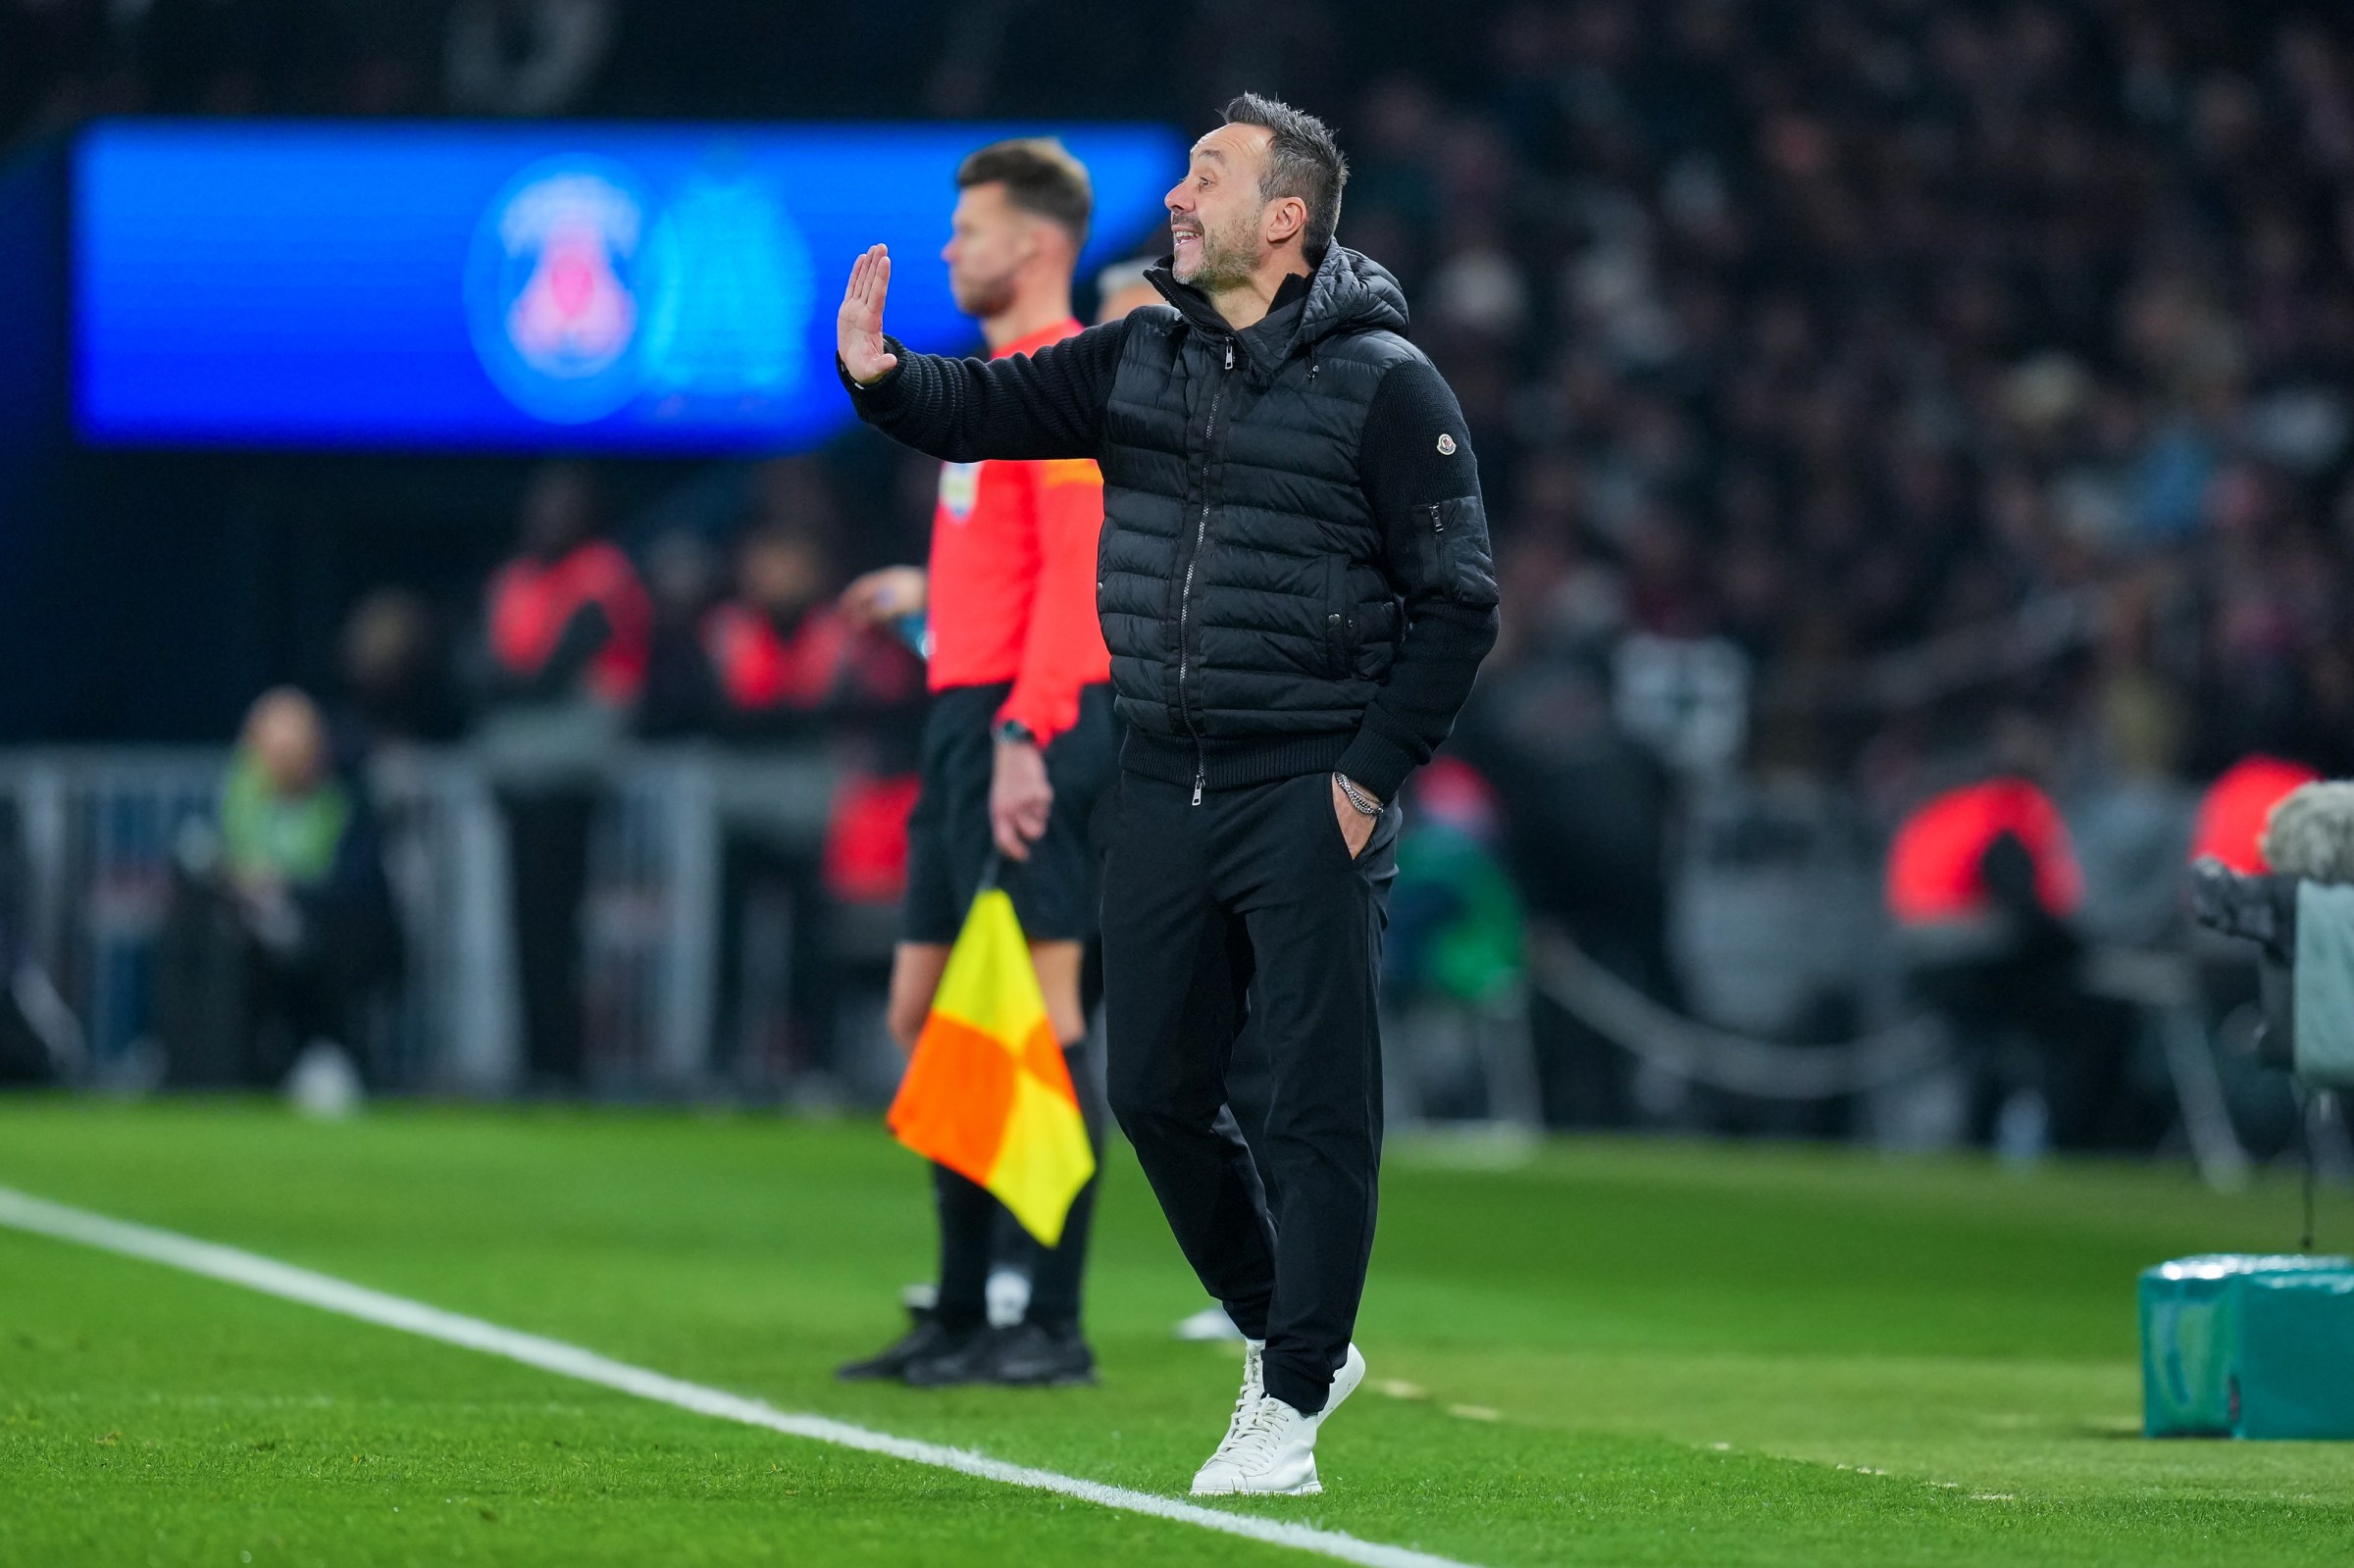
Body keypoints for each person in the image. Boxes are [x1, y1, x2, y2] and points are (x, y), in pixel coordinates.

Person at [838, 94, 1499, 1494]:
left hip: (1308, 781)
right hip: (1161, 775)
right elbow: (989, 405)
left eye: (1209, 174)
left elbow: (1459, 604)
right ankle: (1283, 1327)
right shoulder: (1141, 351)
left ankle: (1295, 1394)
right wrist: (885, 377)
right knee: (1154, 1090)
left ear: (1286, 218)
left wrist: (1368, 779)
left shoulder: (1391, 384)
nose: (1179, 197)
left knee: (1317, 1105)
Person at [832, 137, 1117, 1391]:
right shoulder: (994, 389)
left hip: (1028, 726)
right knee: (938, 1015)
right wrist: (927, 606)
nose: (948, 247)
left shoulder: (1060, 383)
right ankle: (959, 1309)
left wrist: (1025, 734)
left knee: (1040, 1024)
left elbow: (1075, 586)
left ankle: (1048, 1320)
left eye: (970, 228)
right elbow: (1009, 574)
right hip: (968, 717)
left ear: (1039, 244)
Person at [475, 463, 650, 1090]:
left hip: (572, 776)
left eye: (563, 505)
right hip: (519, 776)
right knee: (524, 925)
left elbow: (545, 672)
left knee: (565, 924)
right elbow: (479, 669)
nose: (547, 517)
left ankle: (565, 1064)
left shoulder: (602, 576)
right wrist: (509, 684)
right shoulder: (515, 578)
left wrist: (511, 686)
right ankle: (532, 1062)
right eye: (540, 504)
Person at [155, 688, 401, 1089]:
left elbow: (359, 890)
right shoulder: (243, 797)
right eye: (270, 752)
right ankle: (194, 1061)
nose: (279, 764)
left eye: (291, 751)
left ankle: (323, 1053)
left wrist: (288, 888)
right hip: (251, 938)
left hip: (331, 941)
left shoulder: (346, 802)